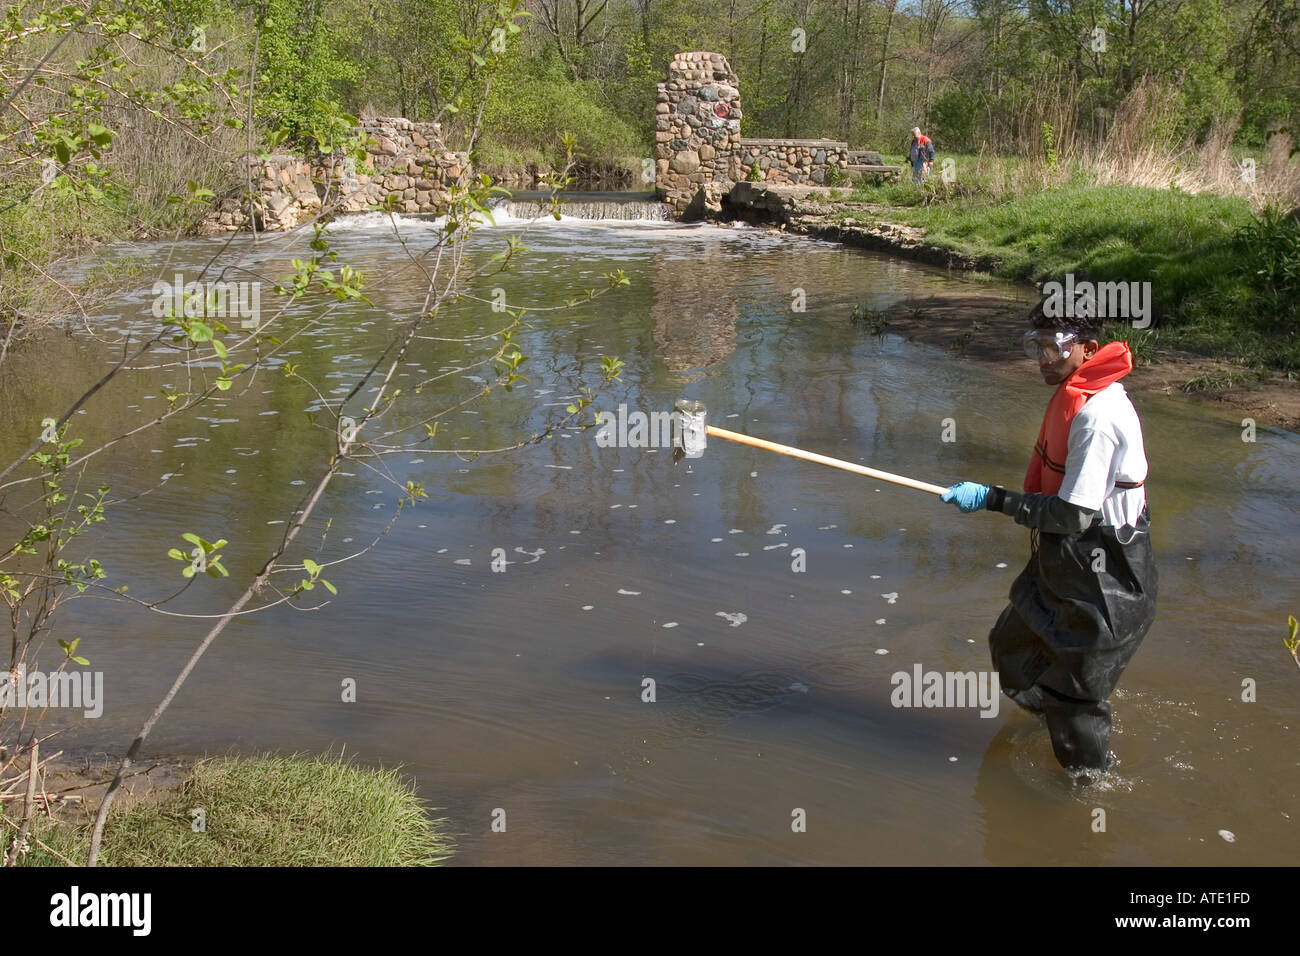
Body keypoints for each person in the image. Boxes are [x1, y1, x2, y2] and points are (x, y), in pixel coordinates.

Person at [939, 303, 1158, 777]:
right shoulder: (1078, 396)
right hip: (1068, 560)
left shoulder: (1096, 417)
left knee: (1074, 695)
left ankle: (1087, 791)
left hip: (1106, 579)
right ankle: (1051, 722)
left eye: (1053, 348)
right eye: (1035, 346)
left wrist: (993, 498)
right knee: (1012, 648)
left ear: (1089, 350)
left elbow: (1073, 514)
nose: (1042, 358)